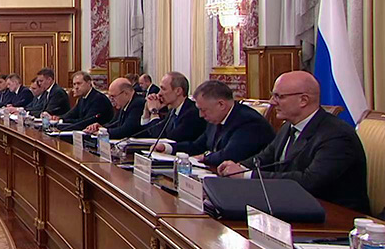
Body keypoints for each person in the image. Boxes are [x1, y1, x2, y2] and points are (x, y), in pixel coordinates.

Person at [217, 71, 370, 213]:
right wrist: (239, 167)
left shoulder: (336, 135)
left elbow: (309, 182)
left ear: (303, 100)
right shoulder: (288, 127)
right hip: (293, 207)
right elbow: (265, 157)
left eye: (279, 96)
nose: (272, 102)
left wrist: (247, 175)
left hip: (335, 216)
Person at [154, 80, 274, 167]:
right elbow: (197, 146)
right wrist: (167, 148)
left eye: (203, 110)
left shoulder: (248, 121)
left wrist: (205, 157)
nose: (201, 115)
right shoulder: (215, 119)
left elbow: (229, 155)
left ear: (221, 104)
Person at [140, 72, 206, 142]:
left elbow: (165, 140)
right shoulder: (172, 111)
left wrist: (154, 112)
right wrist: (146, 111)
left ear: (178, 91)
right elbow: (147, 133)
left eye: (163, 89)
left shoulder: (192, 113)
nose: (159, 94)